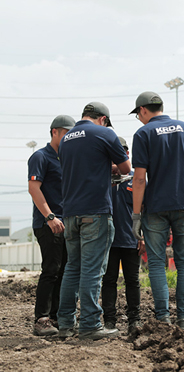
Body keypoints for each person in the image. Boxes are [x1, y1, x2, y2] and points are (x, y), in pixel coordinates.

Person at [130, 91, 184, 331]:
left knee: (156, 262)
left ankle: (163, 317)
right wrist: (179, 169)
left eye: (138, 115)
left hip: (156, 208)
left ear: (143, 110)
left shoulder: (143, 134)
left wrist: (135, 216)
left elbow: (140, 179)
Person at [57, 102, 131, 340]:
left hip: (69, 213)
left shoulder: (66, 139)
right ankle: (90, 325)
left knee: (72, 268)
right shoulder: (105, 133)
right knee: (91, 270)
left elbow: (79, 169)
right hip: (95, 212)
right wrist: (109, 169)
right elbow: (126, 168)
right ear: (103, 119)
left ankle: (66, 323)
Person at [27, 115, 75, 336]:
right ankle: (42, 319)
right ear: (54, 131)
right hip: (48, 223)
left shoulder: (68, 159)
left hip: (67, 223)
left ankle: (56, 317)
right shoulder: (40, 157)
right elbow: (34, 189)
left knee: (65, 271)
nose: (68, 138)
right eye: (66, 133)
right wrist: (49, 217)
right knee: (51, 270)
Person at [101, 137, 145, 335]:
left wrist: (142, 237)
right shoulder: (101, 179)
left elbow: (145, 209)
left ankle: (134, 319)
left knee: (132, 280)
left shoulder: (137, 178)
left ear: (126, 156)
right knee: (108, 280)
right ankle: (109, 320)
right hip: (107, 241)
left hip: (131, 240)